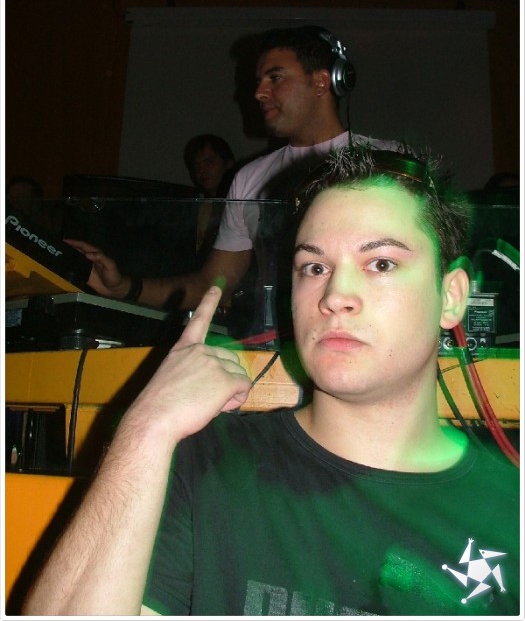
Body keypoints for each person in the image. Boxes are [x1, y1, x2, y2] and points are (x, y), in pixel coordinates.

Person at [22, 144, 519, 616]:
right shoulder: (201, 464)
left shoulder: (511, 508)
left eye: (381, 263)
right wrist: (145, 428)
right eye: (315, 267)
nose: (335, 295)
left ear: (452, 296)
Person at [65, 25, 402, 311]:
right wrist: (124, 287)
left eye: (275, 78)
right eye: (259, 81)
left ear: (321, 82)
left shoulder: (392, 162)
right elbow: (212, 286)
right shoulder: (249, 179)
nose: (259, 93)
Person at [183, 133, 237, 260]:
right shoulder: (197, 209)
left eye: (210, 162)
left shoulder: (241, 205)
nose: (202, 170)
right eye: (197, 166)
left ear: (229, 164)